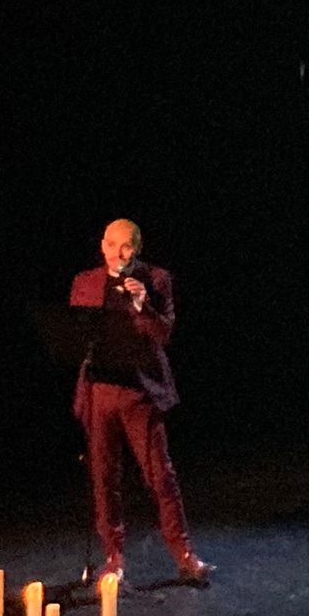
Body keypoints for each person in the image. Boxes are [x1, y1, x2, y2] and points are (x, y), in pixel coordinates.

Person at [69, 219, 211, 585]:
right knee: (103, 477)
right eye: (111, 244)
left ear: (138, 248)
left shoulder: (156, 280)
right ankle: (113, 558)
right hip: (100, 390)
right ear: (102, 245)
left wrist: (140, 304)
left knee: (161, 476)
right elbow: (74, 335)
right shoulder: (85, 281)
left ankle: (184, 555)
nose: (117, 253)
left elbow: (163, 335)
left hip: (139, 393)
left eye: (126, 246)